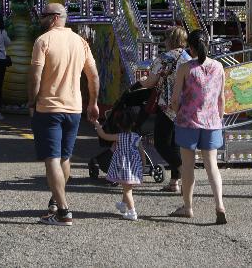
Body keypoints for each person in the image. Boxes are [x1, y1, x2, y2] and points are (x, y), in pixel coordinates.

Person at [29, 2, 100, 226]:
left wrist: (32, 101)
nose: (41, 19)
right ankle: (55, 200)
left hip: (49, 107)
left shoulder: (43, 41)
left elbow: (35, 77)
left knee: (52, 158)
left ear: (54, 18)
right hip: (74, 108)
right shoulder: (80, 42)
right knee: (65, 158)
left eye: (44, 16)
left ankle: (63, 212)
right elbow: (94, 77)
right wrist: (93, 103)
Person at [169, 29, 227, 224]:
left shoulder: (185, 68)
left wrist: (175, 110)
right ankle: (219, 205)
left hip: (188, 122)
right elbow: (221, 98)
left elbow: (175, 98)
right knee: (212, 167)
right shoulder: (219, 67)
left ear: (191, 48)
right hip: (212, 123)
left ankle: (188, 207)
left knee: (188, 167)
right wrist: (219, 118)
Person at [138, 26, 190, 192]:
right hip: (184, 106)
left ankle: (182, 169)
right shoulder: (188, 57)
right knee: (175, 143)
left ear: (170, 40)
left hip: (166, 105)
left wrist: (141, 81)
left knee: (161, 143)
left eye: (166, 38)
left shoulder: (164, 58)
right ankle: (175, 181)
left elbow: (150, 82)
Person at [92, 103, 146, 221]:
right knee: (127, 186)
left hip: (124, 167)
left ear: (118, 124)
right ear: (133, 123)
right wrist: (143, 164)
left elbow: (104, 135)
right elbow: (142, 153)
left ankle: (132, 212)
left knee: (127, 190)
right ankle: (123, 205)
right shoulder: (137, 137)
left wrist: (97, 125)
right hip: (134, 168)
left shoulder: (119, 137)